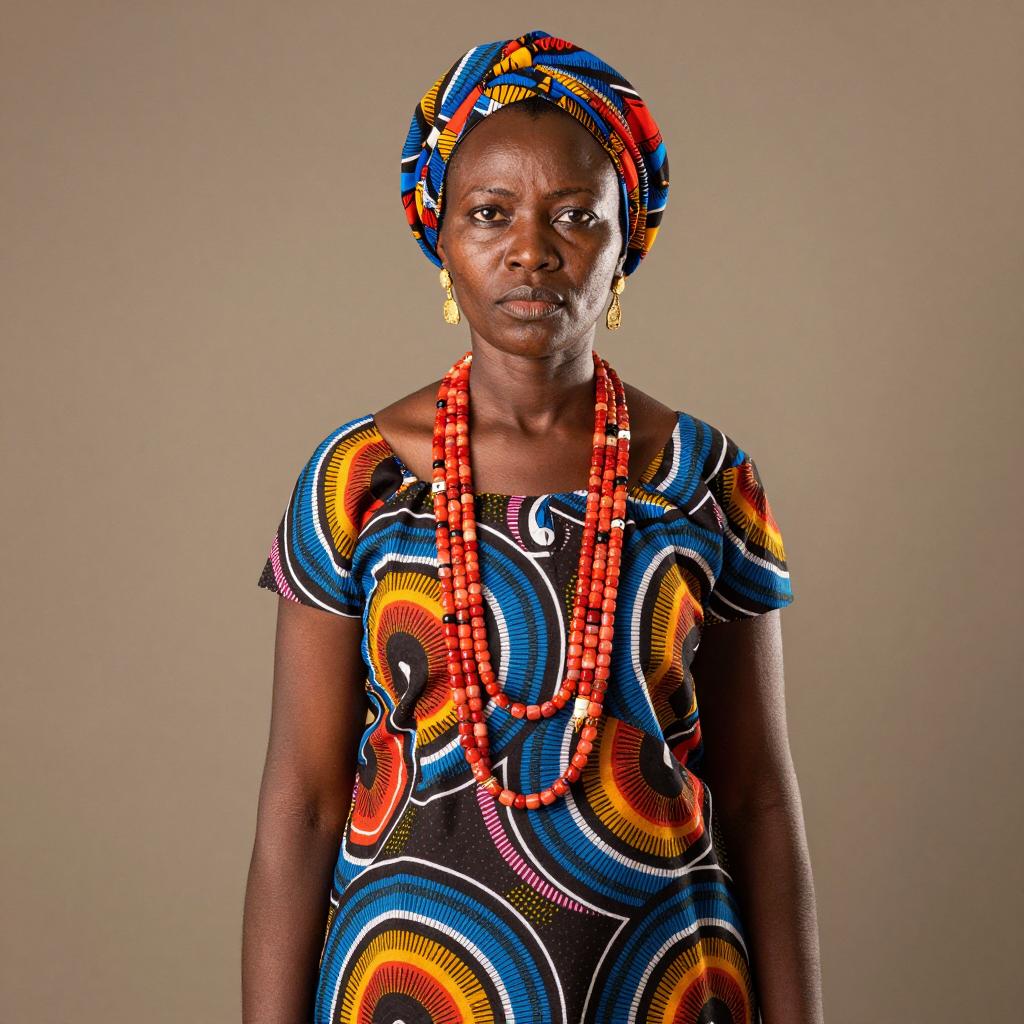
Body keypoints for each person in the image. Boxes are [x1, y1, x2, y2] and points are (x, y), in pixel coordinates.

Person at [242, 29, 823, 1024]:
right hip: (406, 993)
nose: (531, 249)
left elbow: (759, 798)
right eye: (489, 212)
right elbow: (300, 804)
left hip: (665, 987)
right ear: (442, 238)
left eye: (575, 215)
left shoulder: (704, 479)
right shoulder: (359, 479)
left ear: (624, 241)